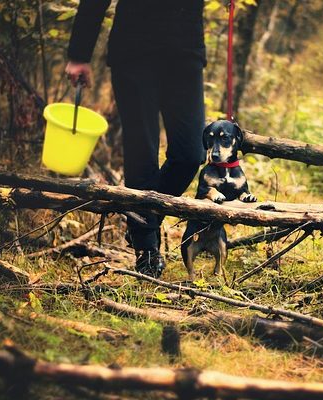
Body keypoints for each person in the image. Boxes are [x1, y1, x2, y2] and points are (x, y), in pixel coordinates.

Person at [65, 0, 206, 277]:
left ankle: (144, 218)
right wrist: (79, 54)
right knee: (142, 148)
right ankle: (146, 250)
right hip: (135, 49)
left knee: (191, 153)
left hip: (185, 50)